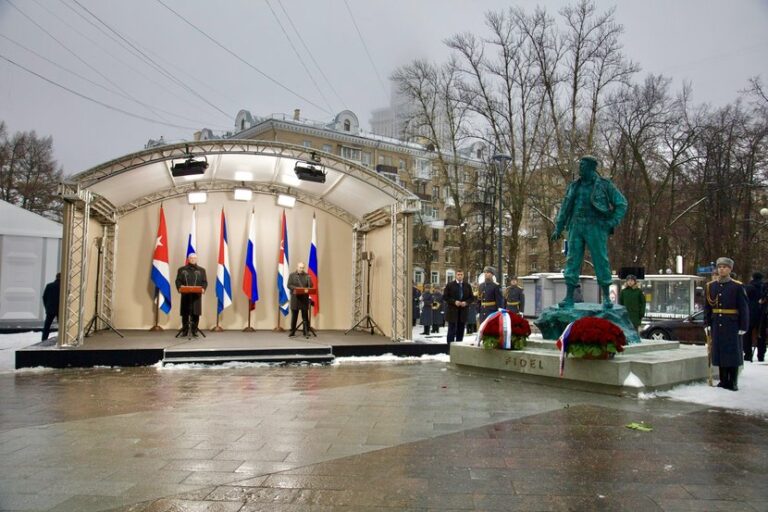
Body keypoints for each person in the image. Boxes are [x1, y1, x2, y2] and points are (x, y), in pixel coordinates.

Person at [551, 155, 627, 309]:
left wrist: (612, 222)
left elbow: (622, 204)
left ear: (592, 168)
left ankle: (606, 297)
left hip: (595, 226)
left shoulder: (604, 185)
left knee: (600, 260)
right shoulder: (574, 186)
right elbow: (565, 207)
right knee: (572, 261)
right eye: (580, 165)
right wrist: (559, 227)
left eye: (583, 165)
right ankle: (569, 297)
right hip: (576, 226)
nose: (580, 168)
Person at [704, 257, 749, 391]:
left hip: (732, 324)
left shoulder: (737, 286)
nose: (721, 269)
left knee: (732, 353)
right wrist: (706, 323)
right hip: (717, 323)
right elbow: (707, 307)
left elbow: (744, 308)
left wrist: (743, 326)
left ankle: (733, 381)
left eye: (724, 267)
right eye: (720, 267)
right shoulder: (711, 286)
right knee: (720, 353)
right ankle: (723, 380)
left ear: (730, 269)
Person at [175, 253, 208, 337]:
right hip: (185, 295)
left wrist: (203, 288)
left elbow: (204, 282)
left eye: (194, 258)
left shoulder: (202, 270)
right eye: (191, 258)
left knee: (196, 313)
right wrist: (179, 287)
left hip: (196, 295)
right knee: (185, 313)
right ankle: (185, 331)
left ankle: (194, 330)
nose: (192, 259)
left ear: (196, 259)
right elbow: (178, 281)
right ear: (188, 259)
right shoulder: (181, 269)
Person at [443, 270, 475, 343]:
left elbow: (472, 298)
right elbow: (445, 297)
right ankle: (449, 347)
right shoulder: (450, 285)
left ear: (463, 275)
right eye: (458, 274)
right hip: (452, 311)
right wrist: (454, 302)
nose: (460, 276)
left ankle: (459, 346)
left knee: (461, 330)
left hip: (463, 311)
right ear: (456, 276)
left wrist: (466, 302)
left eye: (461, 274)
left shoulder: (467, 285)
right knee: (451, 330)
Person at [288, 262, 313, 338]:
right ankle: (292, 331)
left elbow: (311, 286)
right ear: (297, 267)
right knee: (294, 316)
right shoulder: (292, 275)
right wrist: (296, 288)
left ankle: (306, 332)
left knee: (305, 316)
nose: (301, 269)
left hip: (304, 299)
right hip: (295, 298)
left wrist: (310, 280)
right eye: (300, 267)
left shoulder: (307, 276)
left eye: (302, 268)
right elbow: (289, 285)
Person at [744, 272, 764, 362]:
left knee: (747, 335)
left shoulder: (748, 287)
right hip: (762, 314)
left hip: (750, 313)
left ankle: (747, 354)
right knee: (761, 335)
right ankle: (761, 355)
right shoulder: (764, 287)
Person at [41, 273, 60, 341]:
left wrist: (47, 307)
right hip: (60, 309)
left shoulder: (49, 285)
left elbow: (44, 297)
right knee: (61, 326)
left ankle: (44, 339)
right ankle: (60, 338)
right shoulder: (63, 286)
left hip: (50, 309)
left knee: (47, 326)